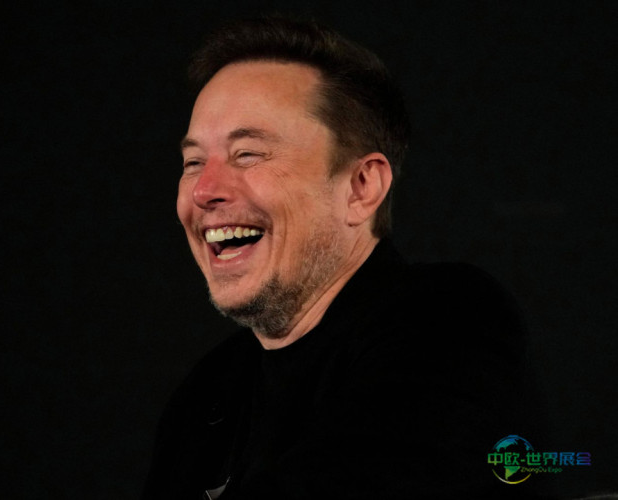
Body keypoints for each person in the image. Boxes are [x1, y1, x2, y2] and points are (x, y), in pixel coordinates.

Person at [143, 16, 538, 499]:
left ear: (361, 186)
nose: (203, 191)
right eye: (193, 162)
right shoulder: (207, 392)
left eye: (247, 154)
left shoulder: (450, 322)